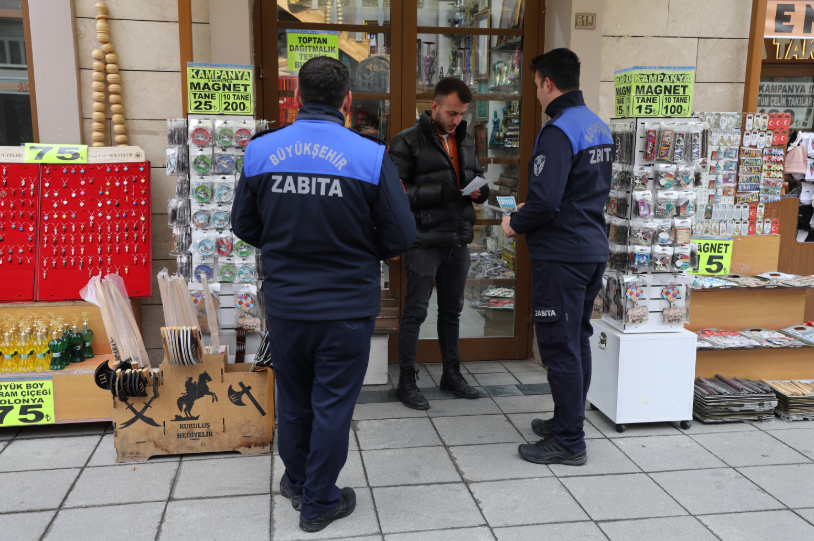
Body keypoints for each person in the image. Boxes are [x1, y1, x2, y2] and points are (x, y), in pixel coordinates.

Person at [231, 56, 416, 532]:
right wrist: (358, 248)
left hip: (288, 306)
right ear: (348, 102)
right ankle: (318, 502)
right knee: (332, 404)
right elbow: (400, 234)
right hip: (347, 308)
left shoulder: (261, 151)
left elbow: (243, 225)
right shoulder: (369, 156)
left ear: (295, 99)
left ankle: (297, 482)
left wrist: (286, 243)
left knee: (293, 399)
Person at [501, 48, 613, 466]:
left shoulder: (559, 131)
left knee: (558, 347)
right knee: (576, 339)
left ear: (548, 83)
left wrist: (515, 221)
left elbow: (545, 201)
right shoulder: (597, 126)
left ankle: (569, 441)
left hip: (562, 255)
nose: (535, 94)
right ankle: (568, 419)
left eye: (535, 86)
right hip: (589, 248)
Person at [389, 77, 489, 410]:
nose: (457, 120)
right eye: (451, 112)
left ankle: (451, 374)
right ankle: (406, 381)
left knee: (452, 312)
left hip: (458, 239)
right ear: (433, 106)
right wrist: (445, 192)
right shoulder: (407, 141)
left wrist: (481, 191)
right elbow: (397, 193)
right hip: (424, 240)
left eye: (461, 114)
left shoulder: (464, 139)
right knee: (415, 312)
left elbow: (476, 174)